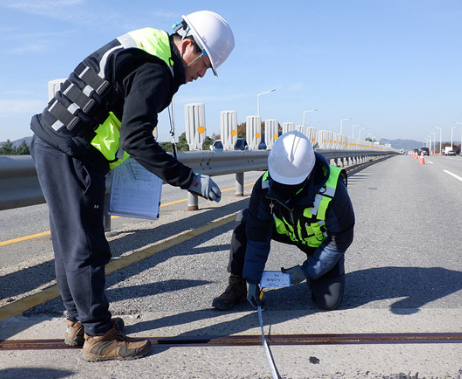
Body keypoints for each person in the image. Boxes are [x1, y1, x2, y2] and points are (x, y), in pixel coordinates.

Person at [29, 11, 235, 361]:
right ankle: (99, 336)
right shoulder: (155, 70)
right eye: (205, 65)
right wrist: (190, 180)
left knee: (69, 243)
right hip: (73, 151)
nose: (202, 75)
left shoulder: (148, 45)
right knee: (86, 247)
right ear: (187, 46)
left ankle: (78, 321)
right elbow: (137, 139)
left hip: (54, 142)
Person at [212, 131, 355, 311]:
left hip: (319, 243)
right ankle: (238, 284)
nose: (285, 188)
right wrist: (252, 278)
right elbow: (257, 235)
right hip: (286, 232)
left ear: (309, 171)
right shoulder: (264, 186)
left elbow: (339, 240)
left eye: (293, 183)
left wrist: (307, 271)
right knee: (246, 219)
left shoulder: (334, 191)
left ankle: (318, 272)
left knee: (329, 302)